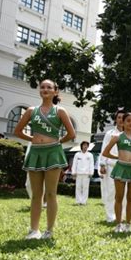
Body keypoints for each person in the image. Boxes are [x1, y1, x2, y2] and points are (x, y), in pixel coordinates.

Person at [15, 79, 76, 239]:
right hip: (35, 152)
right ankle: (34, 230)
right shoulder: (31, 110)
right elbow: (18, 131)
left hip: (53, 153)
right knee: (36, 194)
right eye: (42, 87)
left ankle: (49, 230)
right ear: (39, 90)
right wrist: (32, 138)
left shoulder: (60, 111)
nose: (45, 89)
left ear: (55, 91)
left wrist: (57, 142)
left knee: (51, 193)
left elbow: (71, 134)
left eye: (49, 87)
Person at [99, 109, 126, 223]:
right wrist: (102, 164)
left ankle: (122, 215)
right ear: (116, 119)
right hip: (111, 165)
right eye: (119, 117)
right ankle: (111, 216)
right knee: (111, 191)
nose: (121, 120)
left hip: (125, 166)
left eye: (122, 118)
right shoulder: (109, 134)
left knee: (123, 192)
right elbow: (104, 149)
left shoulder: (130, 134)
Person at [72, 141, 94, 205]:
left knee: (85, 188)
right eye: (84, 145)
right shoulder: (77, 154)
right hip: (78, 173)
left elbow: (91, 164)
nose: (85, 146)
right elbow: (74, 164)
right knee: (78, 187)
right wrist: (73, 173)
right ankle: (78, 201)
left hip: (87, 174)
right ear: (81, 146)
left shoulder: (90, 155)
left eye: (86, 145)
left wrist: (91, 173)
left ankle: (84, 201)